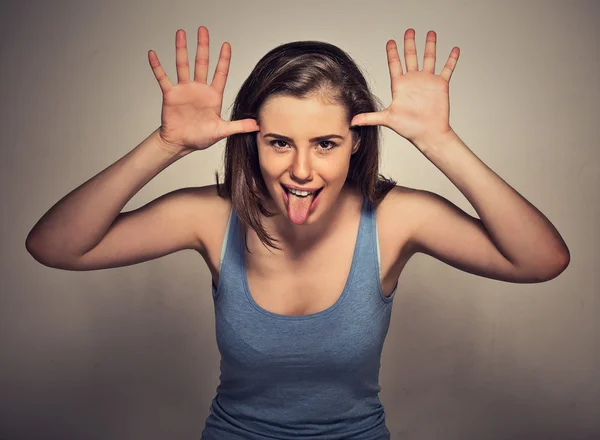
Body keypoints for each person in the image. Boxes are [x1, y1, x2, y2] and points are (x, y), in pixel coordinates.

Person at [25, 25, 570, 439]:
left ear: (356, 141)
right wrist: (165, 144)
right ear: (250, 141)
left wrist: (442, 141)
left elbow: (541, 260)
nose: (302, 170)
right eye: (279, 142)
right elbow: (53, 246)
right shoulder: (211, 217)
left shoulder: (396, 219)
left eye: (325, 144)